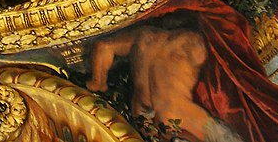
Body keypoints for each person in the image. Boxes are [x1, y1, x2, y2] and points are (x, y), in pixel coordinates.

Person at [87, 12, 245, 142]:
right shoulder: (192, 41)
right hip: (182, 116)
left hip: (145, 122)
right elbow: (224, 71)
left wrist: (98, 82)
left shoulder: (142, 36)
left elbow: (102, 47)